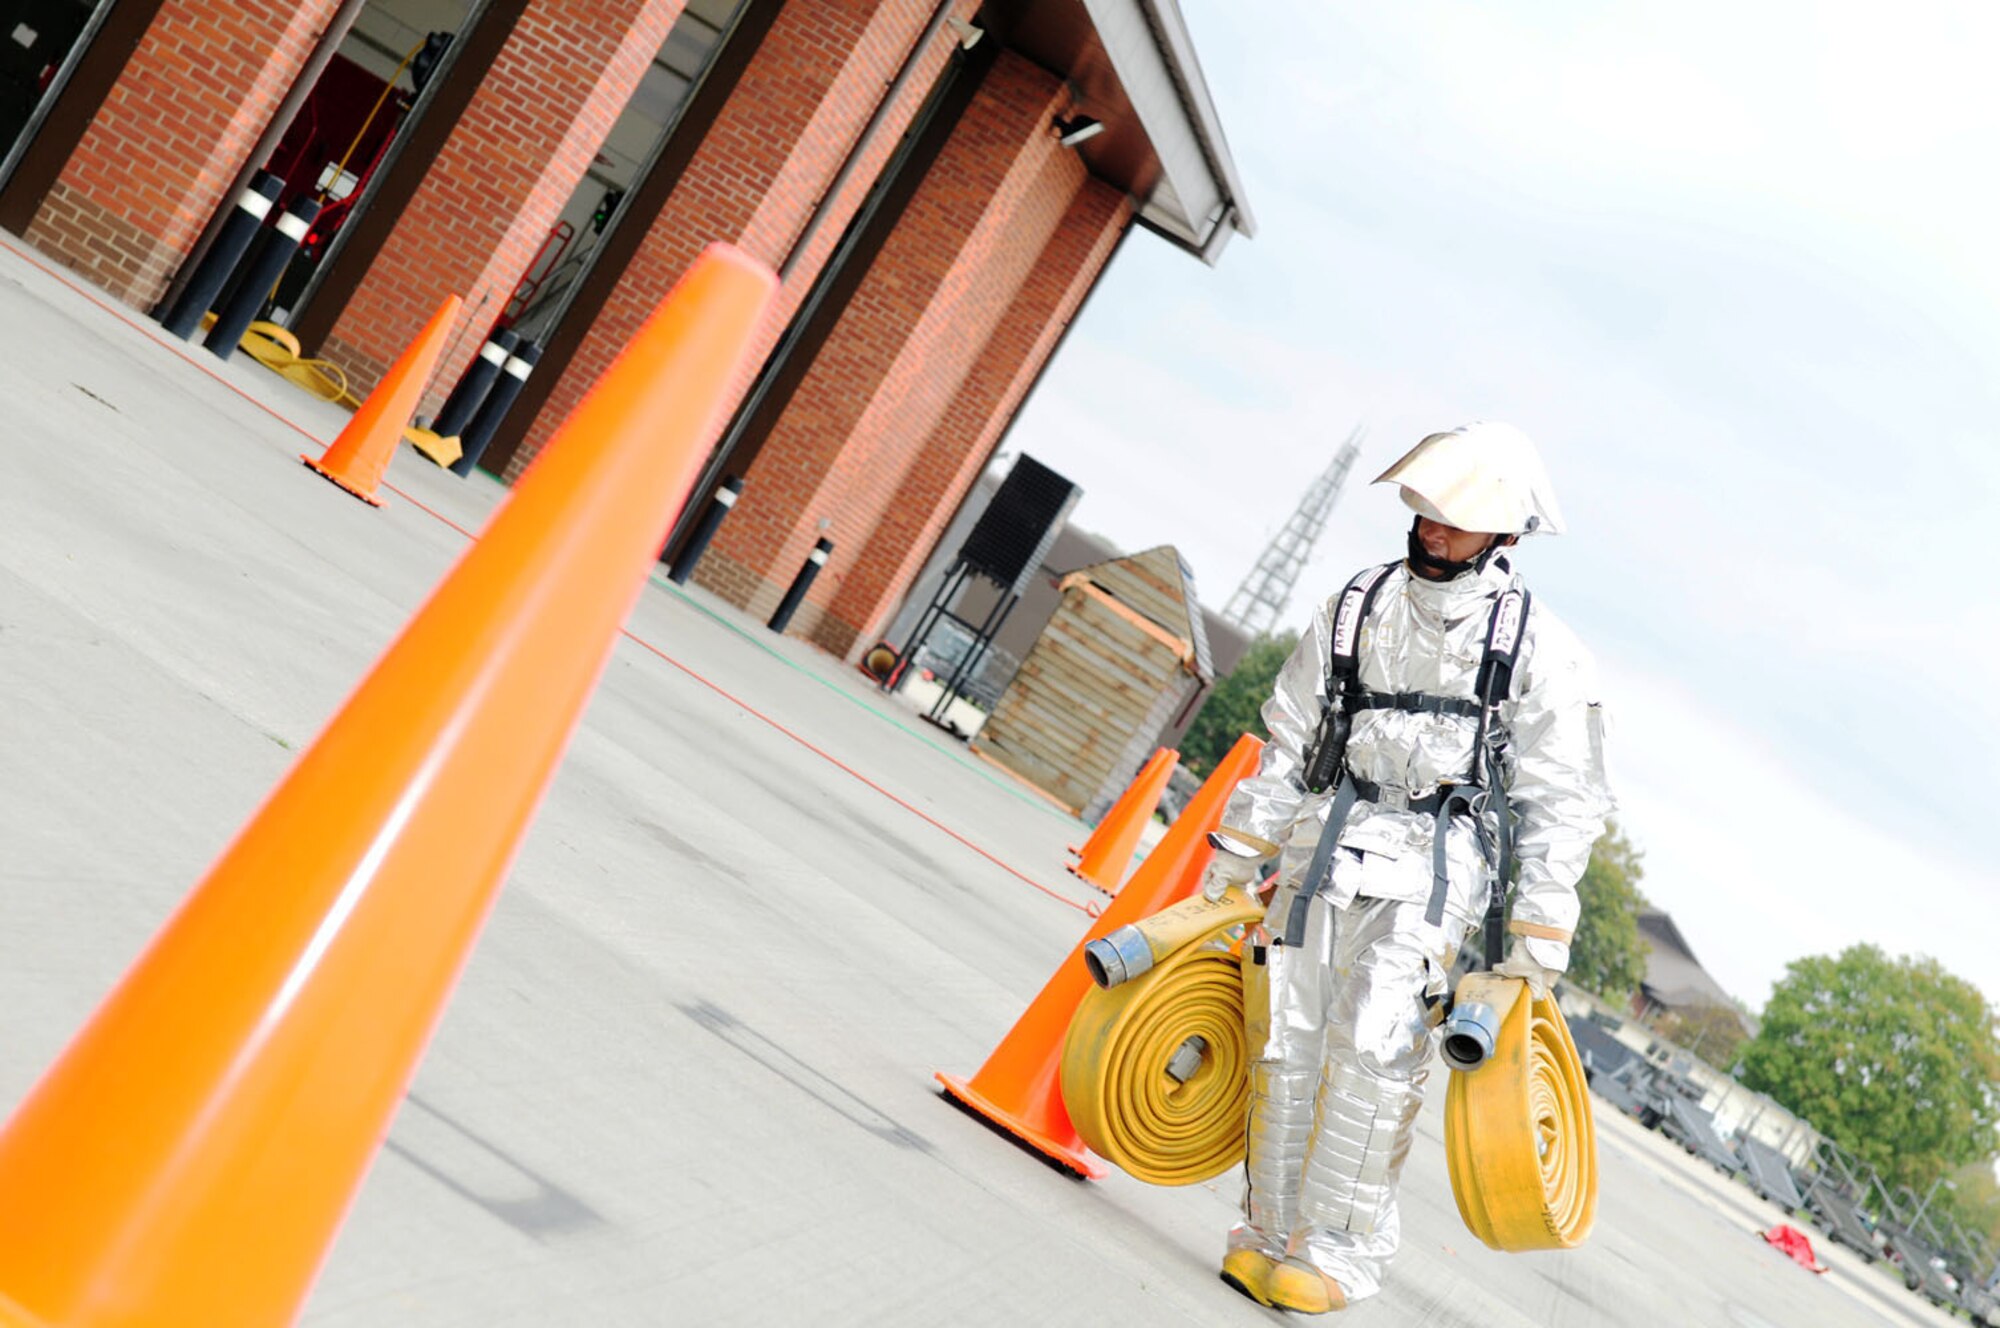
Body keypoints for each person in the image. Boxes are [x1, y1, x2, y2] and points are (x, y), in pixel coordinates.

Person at [1204, 421, 1612, 1313]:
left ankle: (1336, 1256)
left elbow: (1563, 799)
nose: (1432, 530)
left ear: (1504, 534)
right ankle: (1267, 1234)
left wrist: (1541, 933)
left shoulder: (1541, 649)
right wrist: (1236, 854)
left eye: (1455, 520)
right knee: (1284, 1044)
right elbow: (1289, 739)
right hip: (1323, 850)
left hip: (1436, 866)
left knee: (1374, 1051)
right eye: (1426, 511)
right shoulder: (1355, 607)